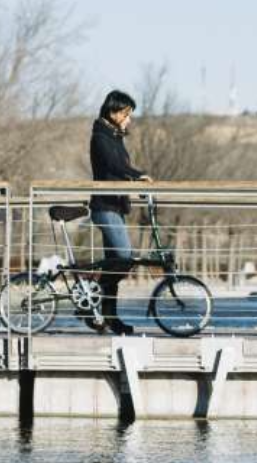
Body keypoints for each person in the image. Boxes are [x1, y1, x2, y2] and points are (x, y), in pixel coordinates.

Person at [89, 90, 153, 335]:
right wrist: (138, 175)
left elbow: (118, 169)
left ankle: (108, 317)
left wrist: (134, 180)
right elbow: (115, 166)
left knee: (113, 264)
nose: (129, 120)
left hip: (114, 207)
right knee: (124, 258)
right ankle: (94, 299)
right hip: (105, 207)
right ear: (114, 112)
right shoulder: (100, 137)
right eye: (127, 114)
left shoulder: (114, 136)